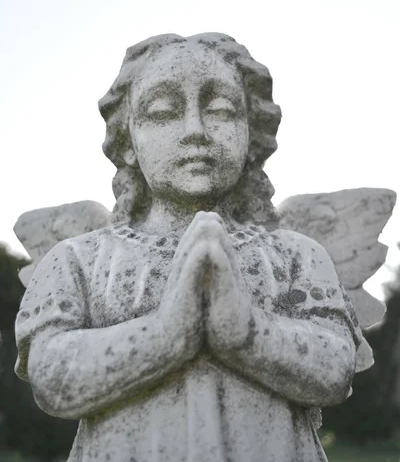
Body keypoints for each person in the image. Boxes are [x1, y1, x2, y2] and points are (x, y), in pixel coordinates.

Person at [15, 33, 362, 461]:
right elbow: (52, 378)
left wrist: (244, 329)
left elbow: (334, 370)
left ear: (251, 133)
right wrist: (167, 332)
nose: (195, 130)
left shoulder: (296, 255)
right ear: (128, 141)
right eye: (163, 113)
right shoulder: (78, 260)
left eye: (220, 110)